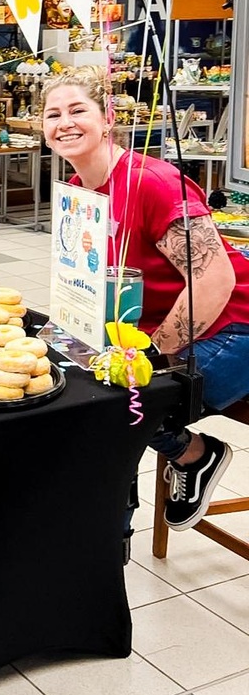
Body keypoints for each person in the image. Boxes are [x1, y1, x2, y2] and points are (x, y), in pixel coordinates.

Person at [42, 66, 249, 529]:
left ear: (108, 118)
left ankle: (192, 455)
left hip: (234, 324)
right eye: (53, 114)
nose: (65, 122)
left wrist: (152, 352)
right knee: (63, 380)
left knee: (115, 405)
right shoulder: (79, 192)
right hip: (151, 322)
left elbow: (214, 281)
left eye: (78, 110)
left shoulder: (152, 182)